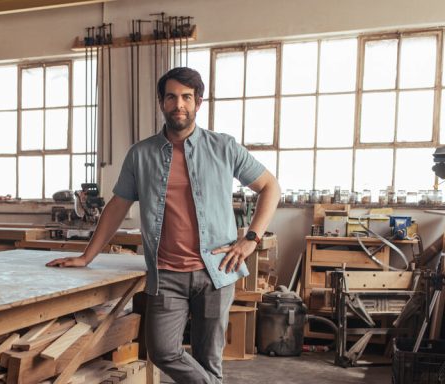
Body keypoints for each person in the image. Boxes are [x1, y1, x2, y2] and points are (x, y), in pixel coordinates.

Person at [47, 67, 281, 383]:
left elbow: (270, 186)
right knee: (161, 350)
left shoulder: (224, 147)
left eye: (186, 97)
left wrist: (251, 238)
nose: (178, 104)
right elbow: (117, 206)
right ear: (161, 102)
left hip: (217, 271)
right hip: (167, 273)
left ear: (198, 102)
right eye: (171, 97)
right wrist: (87, 256)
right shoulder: (140, 154)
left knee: (209, 360)